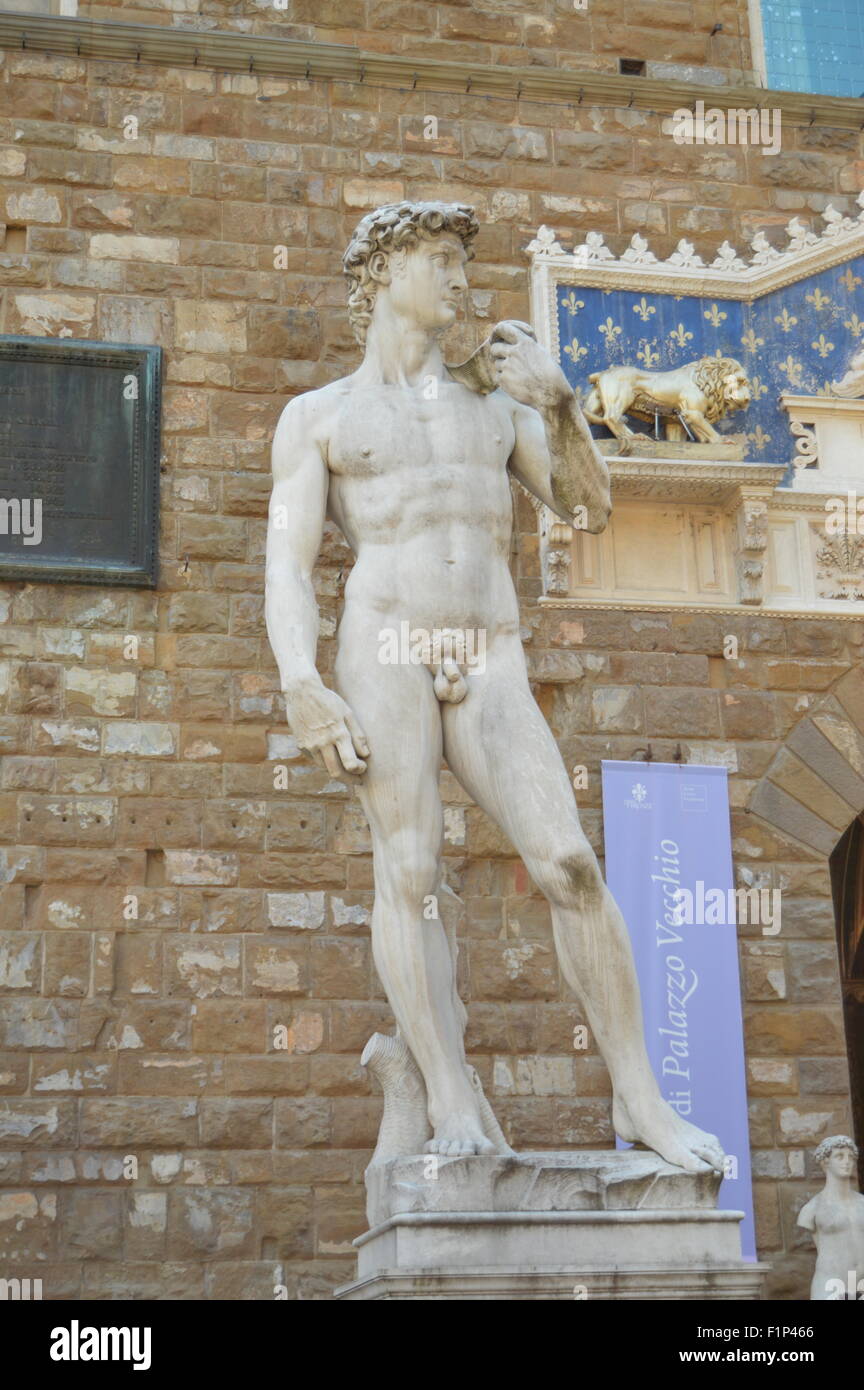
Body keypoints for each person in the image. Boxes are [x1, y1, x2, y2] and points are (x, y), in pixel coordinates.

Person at [265, 199, 725, 1170]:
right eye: (440, 257)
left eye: (462, 259)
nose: (460, 275)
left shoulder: (498, 402)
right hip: (384, 647)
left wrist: (561, 406)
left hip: (489, 652)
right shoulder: (320, 418)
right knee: (412, 872)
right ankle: (446, 1094)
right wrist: (300, 679)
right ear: (385, 270)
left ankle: (643, 1100)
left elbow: (588, 510)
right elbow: (287, 562)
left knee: (569, 864)